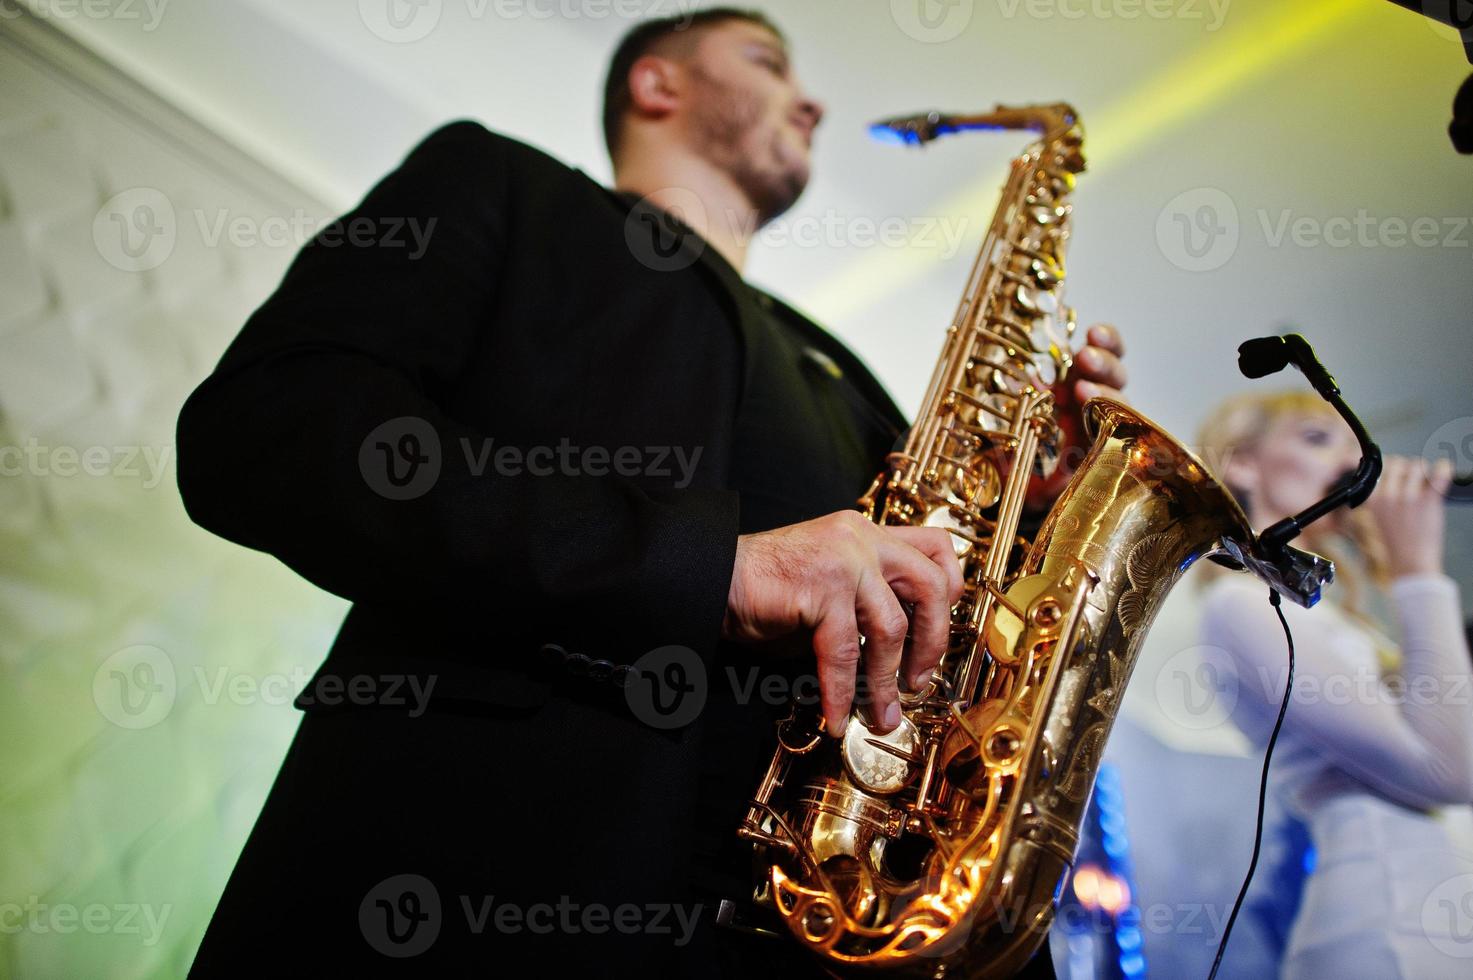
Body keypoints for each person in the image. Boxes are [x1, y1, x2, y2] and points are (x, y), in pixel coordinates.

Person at [176, 8, 1127, 975]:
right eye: (767, 60)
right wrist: (712, 568)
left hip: (834, 915)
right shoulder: (503, 186)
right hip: (487, 875)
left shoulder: (846, 377)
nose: (813, 98)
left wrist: (1029, 508)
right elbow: (271, 430)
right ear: (656, 84)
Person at [1198, 390, 1473, 978]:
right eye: (1317, 438)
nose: (1352, 467)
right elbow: (1450, 772)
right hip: (1390, 928)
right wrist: (1419, 572)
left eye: (1357, 451)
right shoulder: (1238, 605)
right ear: (1243, 462)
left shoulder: (1336, 618)